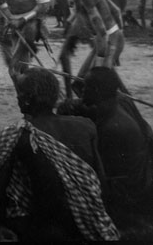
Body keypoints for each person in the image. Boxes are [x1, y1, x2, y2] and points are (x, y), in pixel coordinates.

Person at [0, 69, 119, 242]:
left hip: (45, 226)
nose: (17, 97)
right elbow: (101, 185)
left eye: (21, 92)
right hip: (89, 220)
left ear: (29, 98)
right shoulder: (86, 126)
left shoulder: (17, 133)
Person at [57, 67, 153, 221]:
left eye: (86, 86)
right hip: (141, 176)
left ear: (97, 91)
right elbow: (86, 107)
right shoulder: (121, 101)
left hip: (129, 193)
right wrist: (71, 106)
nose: (81, 91)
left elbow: (100, 176)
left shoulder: (112, 128)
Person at [56, 0, 125, 98]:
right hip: (110, 41)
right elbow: (116, 10)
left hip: (108, 43)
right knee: (80, 84)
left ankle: (120, 113)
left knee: (94, 86)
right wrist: (119, 36)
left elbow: (101, 32)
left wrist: (101, 61)